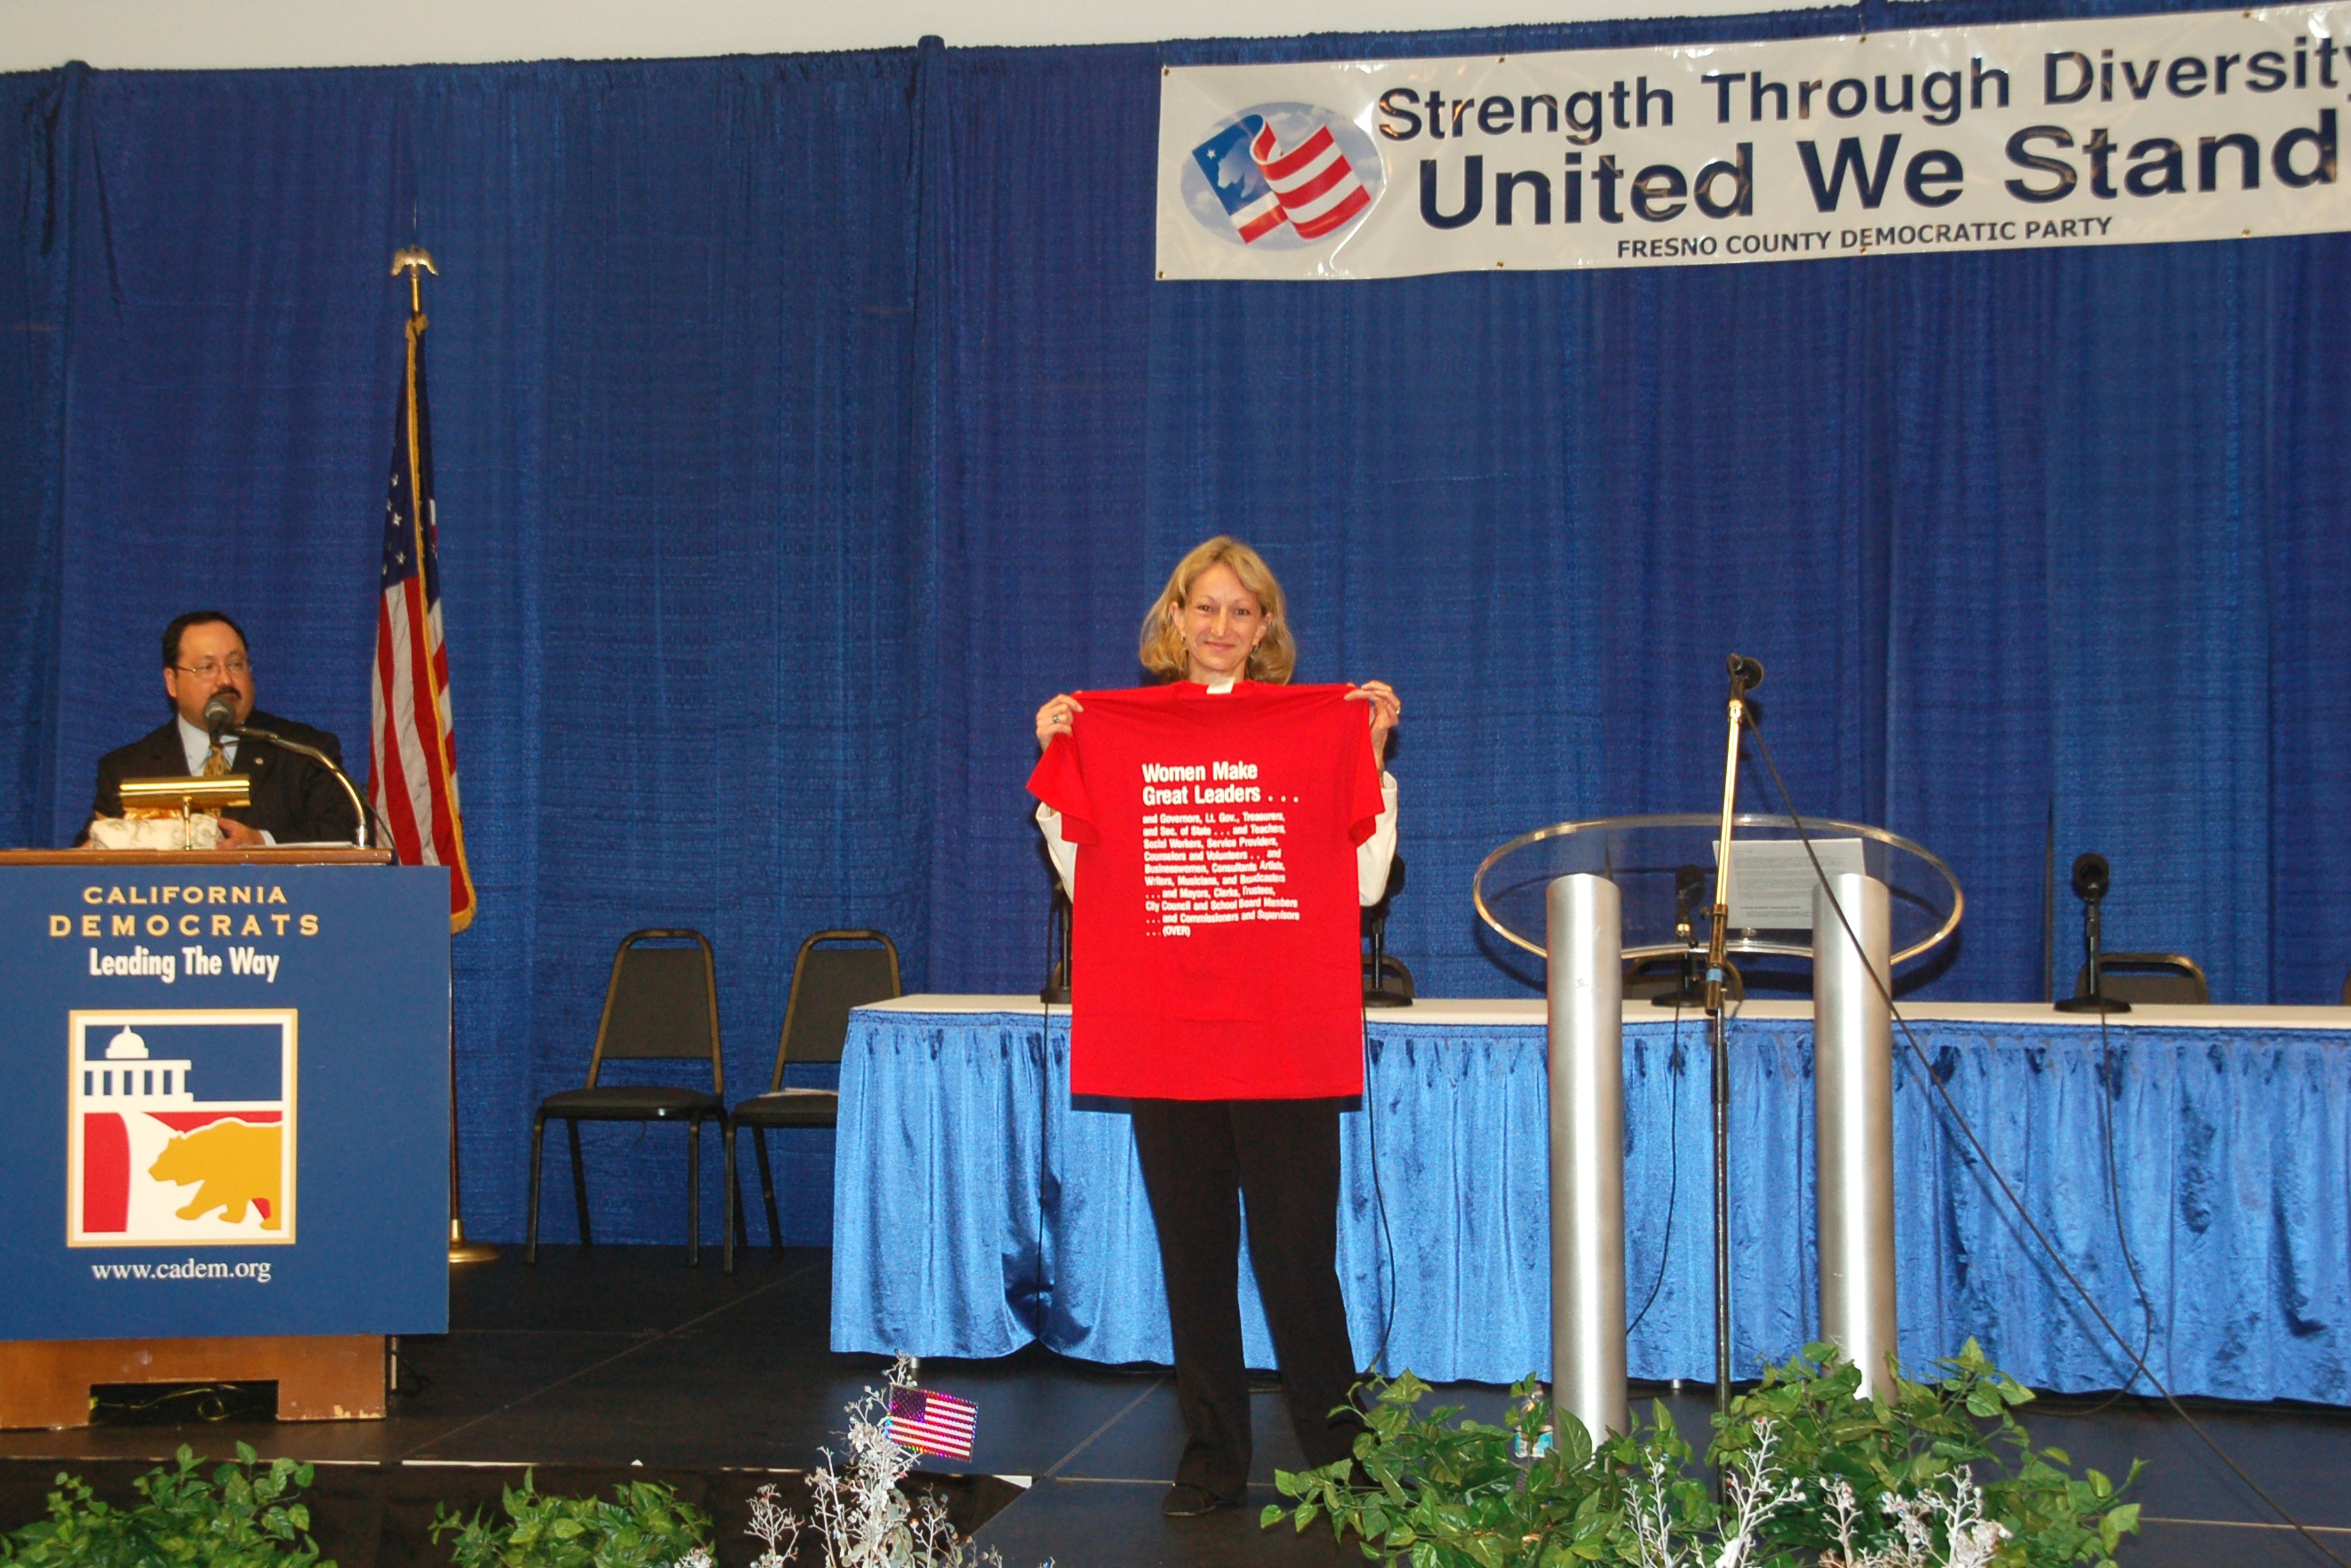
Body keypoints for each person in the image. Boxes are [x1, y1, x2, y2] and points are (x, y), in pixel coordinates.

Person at [1032, 537, 1401, 1519]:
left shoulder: (1312, 729)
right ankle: (1209, 1462)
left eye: (1242, 610)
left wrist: (1364, 758)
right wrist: (1059, 765)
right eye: (1205, 607)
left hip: (1282, 1044)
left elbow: (1362, 887)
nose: (1221, 626)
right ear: (1175, 617)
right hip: (1171, 1043)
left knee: (1297, 1266)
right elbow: (1093, 885)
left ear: (1265, 626)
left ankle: (1345, 1464)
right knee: (1193, 1266)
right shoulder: (1122, 732)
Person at [81, 611, 359, 848]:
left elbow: (350, 829)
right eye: (207, 667)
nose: (225, 680)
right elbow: (89, 855)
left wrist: (262, 841)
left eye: (236, 664)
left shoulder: (303, 751)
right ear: (172, 682)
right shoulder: (127, 770)